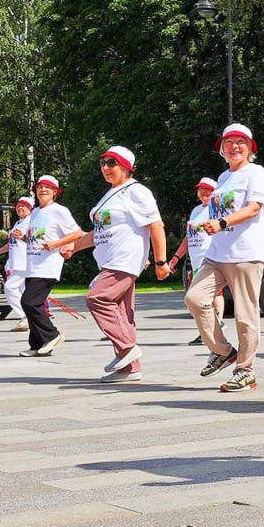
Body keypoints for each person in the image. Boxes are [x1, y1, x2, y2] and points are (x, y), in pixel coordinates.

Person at [46, 146, 168, 381]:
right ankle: (130, 368)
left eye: (112, 163)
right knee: (122, 314)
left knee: (97, 298)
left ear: (127, 167)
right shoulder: (111, 194)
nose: (106, 168)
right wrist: (74, 246)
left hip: (124, 259)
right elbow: (98, 232)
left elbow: (156, 226)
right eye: (103, 163)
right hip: (110, 260)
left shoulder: (136, 191)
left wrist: (161, 261)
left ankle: (127, 348)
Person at [185, 123, 264, 392]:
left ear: (250, 148)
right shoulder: (223, 179)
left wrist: (222, 223)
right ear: (222, 149)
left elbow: (254, 208)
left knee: (246, 315)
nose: (234, 147)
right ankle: (222, 350)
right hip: (217, 253)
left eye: (240, 142)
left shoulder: (256, 173)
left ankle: (245, 370)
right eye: (229, 143)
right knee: (195, 298)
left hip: (245, 253)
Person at [18, 176, 80, 357]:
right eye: (40, 187)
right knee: (31, 305)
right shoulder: (35, 212)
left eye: (48, 188)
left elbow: (76, 233)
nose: (43, 190)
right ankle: (37, 345)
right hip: (32, 265)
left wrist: (57, 243)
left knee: (29, 302)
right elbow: (35, 238)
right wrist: (23, 237)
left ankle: (52, 335)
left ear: (55, 192)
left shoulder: (59, 211)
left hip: (48, 265)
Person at [167, 177, 224, 346]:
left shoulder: (216, 209)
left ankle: (217, 323)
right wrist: (176, 258)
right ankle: (207, 330)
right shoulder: (196, 211)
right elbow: (188, 237)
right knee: (196, 297)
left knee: (213, 294)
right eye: (201, 189)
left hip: (211, 258)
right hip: (196, 260)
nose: (204, 192)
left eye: (208, 189)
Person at [0, 196, 34, 332]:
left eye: (24, 206)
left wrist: (24, 237)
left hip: (24, 262)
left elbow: (36, 241)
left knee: (9, 288)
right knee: (21, 292)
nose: (20, 208)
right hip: (15, 262)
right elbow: (12, 243)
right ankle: (30, 319)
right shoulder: (18, 223)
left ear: (30, 209)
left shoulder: (31, 222)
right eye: (19, 206)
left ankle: (25, 316)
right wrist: (0, 251)